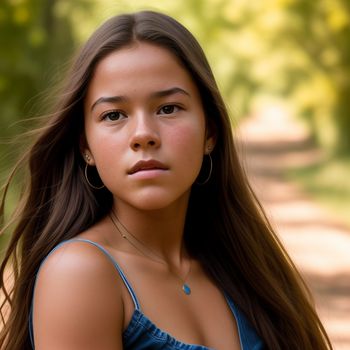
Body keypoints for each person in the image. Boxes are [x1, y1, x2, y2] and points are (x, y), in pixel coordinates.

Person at [0, 10, 332, 350]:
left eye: (168, 108)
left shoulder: (248, 270)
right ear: (86, 147)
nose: (143, 134)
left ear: (210, 132)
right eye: (114, 115)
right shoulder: (79, 274)